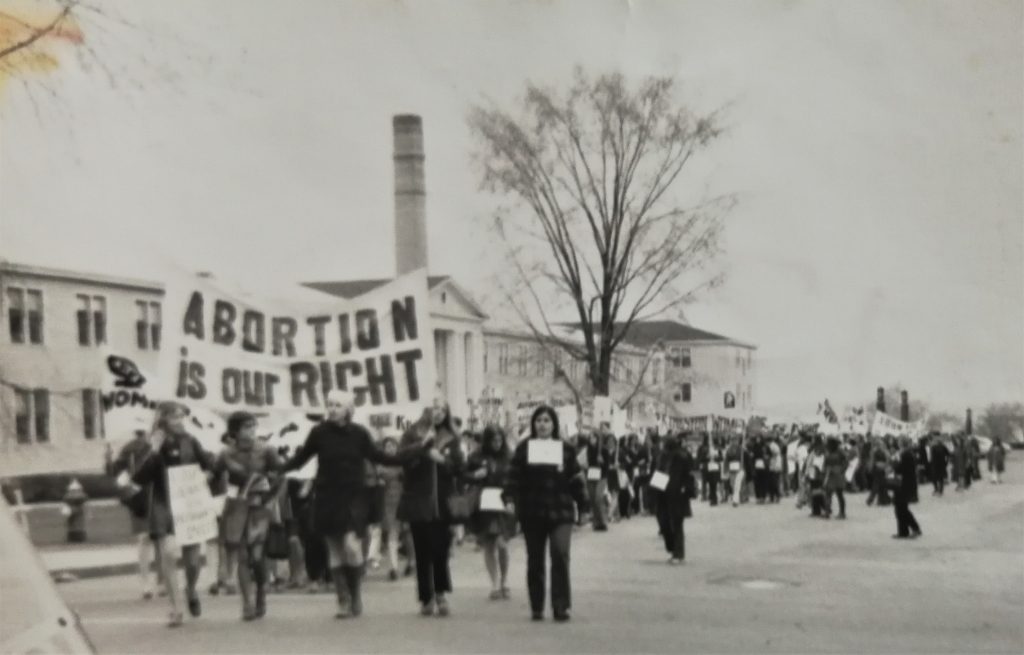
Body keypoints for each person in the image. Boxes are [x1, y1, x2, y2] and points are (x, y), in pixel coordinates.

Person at [283, 390, 422, 619]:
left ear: (349, 409)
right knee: (335, 550)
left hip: (354, 496)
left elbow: (381, 457)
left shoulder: (359, 433)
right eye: (330, 404)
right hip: (327, 495)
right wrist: (274, 468)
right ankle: (343, 600)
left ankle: (355, 593)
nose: (332, 409)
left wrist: (415, 451)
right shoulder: (319, 433)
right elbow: (300, 460)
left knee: (351, 545)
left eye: (337, 405)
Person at [132, 402, 216, 628]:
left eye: (181, 417)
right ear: (163, 420)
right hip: (164, 503)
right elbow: (139, 476)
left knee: (192, 561)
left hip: (188, 503)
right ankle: (176, 607)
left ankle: (190, 589)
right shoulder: (150, 445)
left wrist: (205, 476)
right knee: (168, 554)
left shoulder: (190, 441)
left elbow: (210, 465)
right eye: (175, 417)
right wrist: (154, 450)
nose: (180, 421)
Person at [505, 405, 587, 622]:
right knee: (535, 560)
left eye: (547, 420)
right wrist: (510, 499)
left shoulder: (566, 449)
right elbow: (513, 477)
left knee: (560, 554)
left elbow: (576, 480)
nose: (542, 424)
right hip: (533, 511)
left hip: (561, 512)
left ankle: (561, 606)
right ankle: (537, 605)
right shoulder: (524, 449)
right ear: (533, 424)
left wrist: (584, 506)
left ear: (554, 424)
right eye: (539, 420)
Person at [397, 402, 465, 617]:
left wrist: (442, 460)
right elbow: (401, 458)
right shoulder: (413, 433)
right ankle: (426, 597)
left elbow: (459, 467)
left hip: (441, 502)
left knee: (440, 550)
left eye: (442, 410)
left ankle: (441, 593)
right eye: (434, 409)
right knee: (422, 550)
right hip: (419, 500)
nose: (437, 413)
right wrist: (421, 449)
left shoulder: (452, 437)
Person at [215, 412, 284, 621]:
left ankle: (261, 591)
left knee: (256, 556)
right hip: (236, 507)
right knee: (242, 555)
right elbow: (214, 477)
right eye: (246, 427)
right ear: (235, 431)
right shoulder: (226, 454)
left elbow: (281, 475)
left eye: (253, 426)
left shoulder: (266, 450)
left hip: (259, 507)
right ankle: (247, 602)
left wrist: (270, 498)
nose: (251, 431)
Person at [105, 428, 159, 601]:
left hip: (157, 497)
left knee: (155, 539)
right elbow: (115, 472)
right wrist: (109, 458)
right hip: (141, 499)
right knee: (146, 539)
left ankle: (159, 580)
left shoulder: (159, 447)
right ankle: (147, 582)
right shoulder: (131, 450)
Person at [466, 425, 515, 600]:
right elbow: (463, 475)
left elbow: (515, 479)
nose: (497, 443)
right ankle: (495, 583)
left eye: (500, 440)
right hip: (484, 502)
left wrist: (512, 499)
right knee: (488, 544)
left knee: (502, 543)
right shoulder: (475, 457)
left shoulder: (509, 457)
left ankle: (505, 580)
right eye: (494, 440)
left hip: (504, 501)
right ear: (487, 441)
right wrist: (475, 475)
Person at [376, 436, 412, 580]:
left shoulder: (403, 463)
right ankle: (394, 567)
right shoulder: (379, 465)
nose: (390, 448)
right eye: (387, 446)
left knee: (407, 533)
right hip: (387, 502)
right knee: (392, 533)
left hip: (404, 501)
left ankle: (412, 561)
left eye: (392, 445)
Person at [656, 433, 695, 564]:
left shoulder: (678, 456)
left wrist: (685, 489)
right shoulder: (667, 456)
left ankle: (678, 553)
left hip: (675, 494)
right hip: (670, 493)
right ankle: (676, 552)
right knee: (672, 524)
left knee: (675, 524)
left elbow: (686, 475)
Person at [891, 437, 922, 539]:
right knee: (899, 508)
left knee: (902, 509)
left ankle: (915, 528)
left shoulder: (906, 455)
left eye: (899, 442)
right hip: (904, 484)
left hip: (904, 485)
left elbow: (902, 469)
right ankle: (903, 531)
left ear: (902, 444)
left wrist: (894, 463)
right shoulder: (905, 454)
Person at [583, 433, 609, 530]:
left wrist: (602, 462)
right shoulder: (587, 450)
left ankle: (603, 521)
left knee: (598, 498)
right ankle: (596, 522)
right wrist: (585, 466)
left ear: (597, 438)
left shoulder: (603, 450)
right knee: (592, 499)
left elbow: (607, 466)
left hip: (602, 476)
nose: (592, 439)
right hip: (590, 476)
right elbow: (583, 463)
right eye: (590, 437)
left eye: (593, 437)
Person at [823, 437, 848, 519]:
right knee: (834, 494)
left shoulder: (833, 452)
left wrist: (841, 470)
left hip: (834, 474)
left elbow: (846, 462)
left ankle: (834, 512)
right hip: (834, 473)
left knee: (833, 494)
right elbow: (846, 462)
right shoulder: (835, 452)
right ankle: (835, 512)